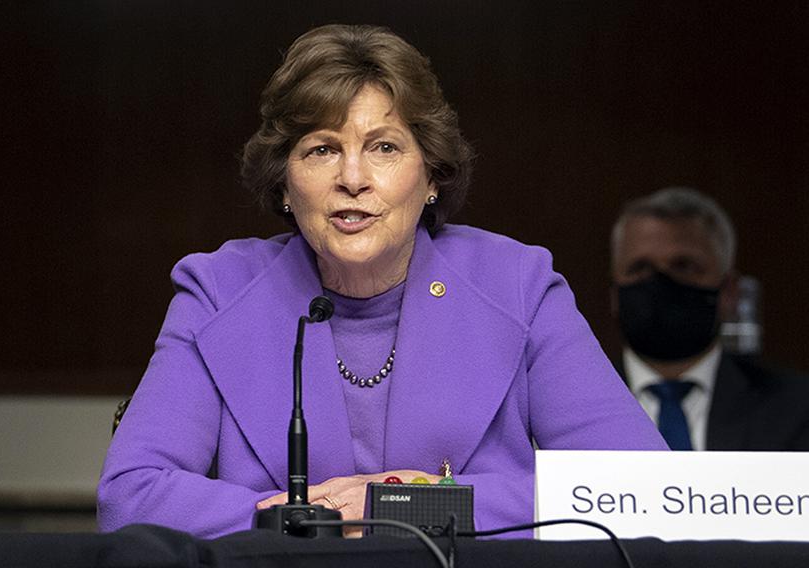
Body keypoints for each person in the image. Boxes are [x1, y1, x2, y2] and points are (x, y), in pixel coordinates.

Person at [97, 24, 666, 540]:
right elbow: (131, 496)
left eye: (384, 147)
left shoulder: (517, 285)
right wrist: (298, 522)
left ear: (432, 175)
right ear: (286, 186)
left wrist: (415, 505)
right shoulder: (219, 290)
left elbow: (643, 489)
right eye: (321, 149)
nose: (351, 179)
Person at [611, 187, 809, 451]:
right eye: (640, 268)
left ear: (729, 292)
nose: (660, 282)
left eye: (684, 266)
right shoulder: (567, 405)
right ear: (613, 293)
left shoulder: (797, 409)